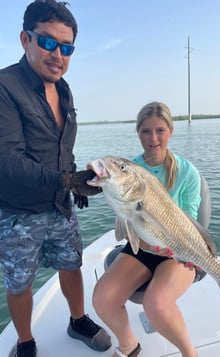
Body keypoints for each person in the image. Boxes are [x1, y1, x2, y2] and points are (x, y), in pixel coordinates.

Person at [0, 1, 111, 356]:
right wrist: (67, 180)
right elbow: (8, 160)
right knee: (20, 282)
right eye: (48, 42)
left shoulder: (64, 90)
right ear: (25, 39)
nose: (57, 54)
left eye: (66, 47)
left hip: (60, 205)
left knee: (71, 263)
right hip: (19, 211)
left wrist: (76, 182)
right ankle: (25, 341)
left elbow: (63, 146)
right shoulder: (5, 87)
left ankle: (77, 320)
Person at [92, 101, 204, 357]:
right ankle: (129, 346)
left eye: (160, 130)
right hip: (141, 246)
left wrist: (175, 246)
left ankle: (190, 353)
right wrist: (89, 183)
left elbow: (190, 220)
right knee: (103, 298)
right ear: (138, 132)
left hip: (178, 250)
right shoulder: (129, 170)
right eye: (145, 131)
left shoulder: (188, 173)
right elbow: (124, 215)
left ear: (170, 131)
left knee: (157, 305)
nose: (153, 138)